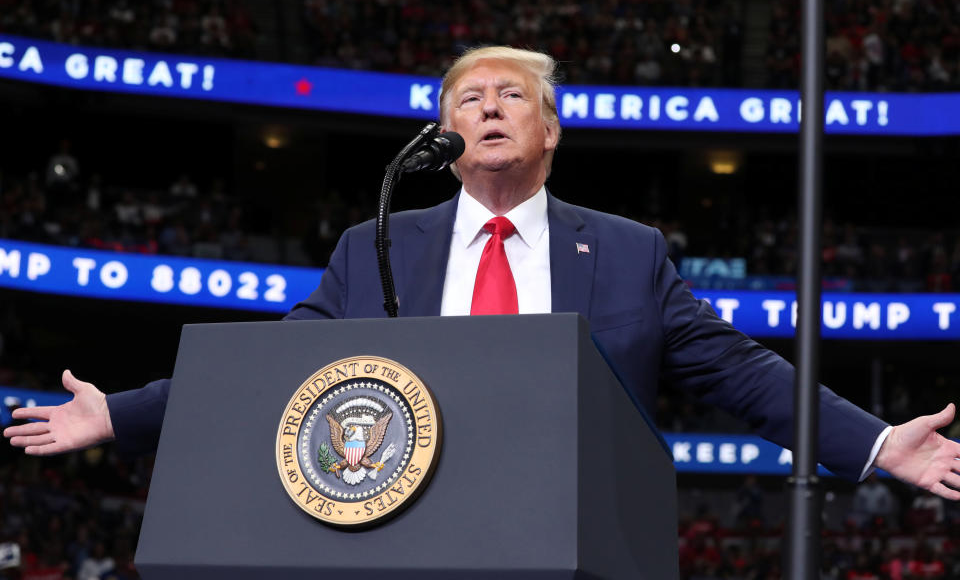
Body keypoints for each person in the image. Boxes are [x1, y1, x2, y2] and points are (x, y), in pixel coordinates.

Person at [5, 46, 960, 499]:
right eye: (468, 97)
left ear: (551, 130)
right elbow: (272, 372)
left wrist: (878, 444)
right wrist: (118, 414)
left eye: (514, 95)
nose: (490, 106)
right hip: (405, 532)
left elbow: (746, 373)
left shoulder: (629, 253)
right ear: (446, 135)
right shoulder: (375, 245)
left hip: (578, 536)